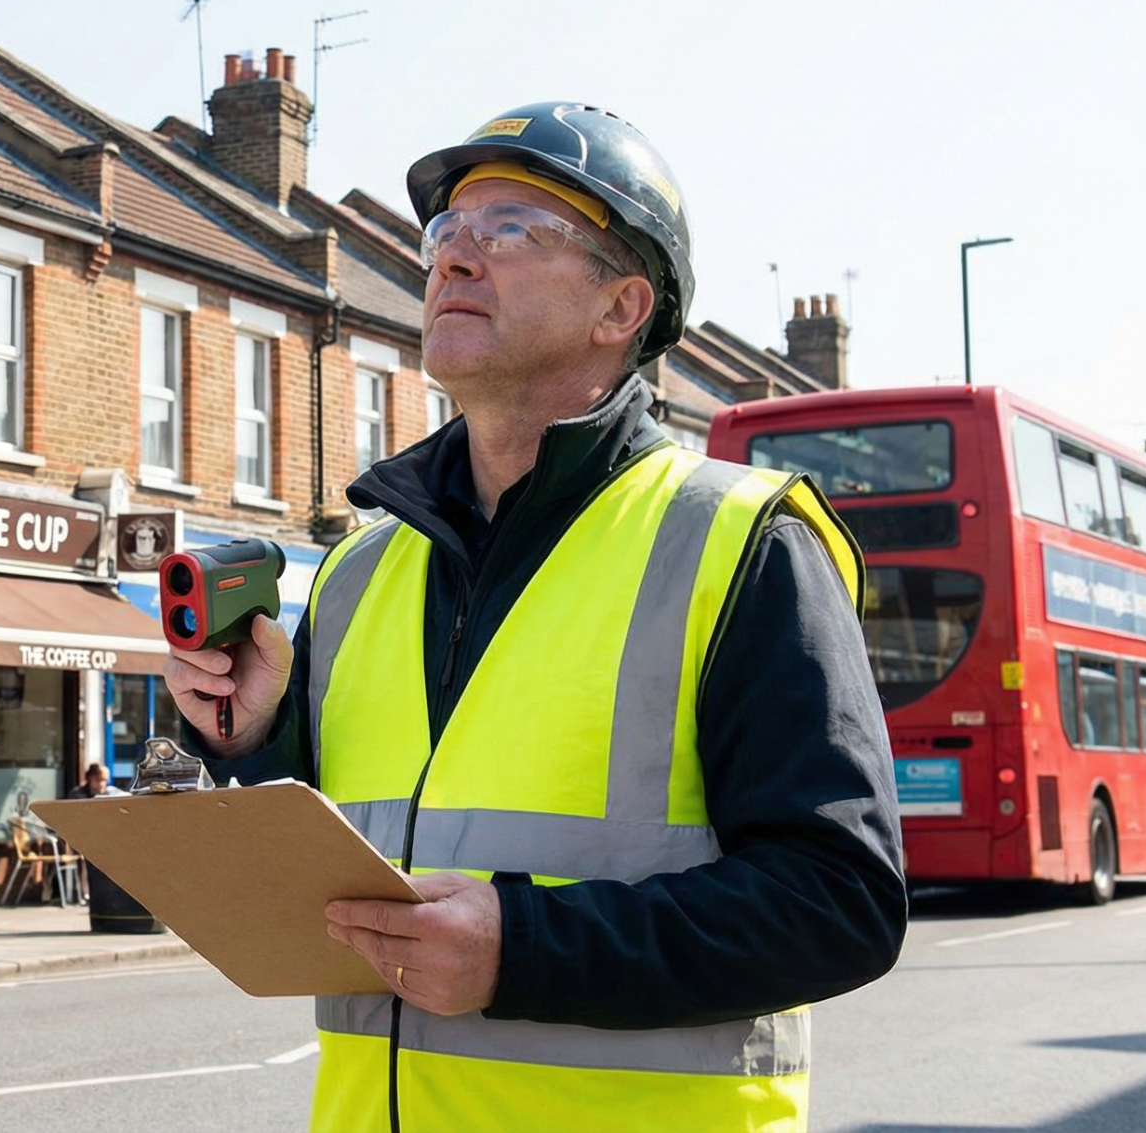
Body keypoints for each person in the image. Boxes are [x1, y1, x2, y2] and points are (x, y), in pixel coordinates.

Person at [163, 103, 906, 1131]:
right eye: (445, 232)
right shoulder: (359, 566)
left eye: (509, 228)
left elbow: (839, 904)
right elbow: (343, 878)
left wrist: (522, 947)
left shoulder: (742, 543)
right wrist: (252, 740)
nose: (454, 259)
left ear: (620, 307)